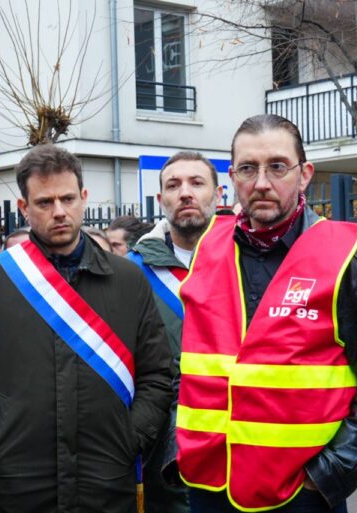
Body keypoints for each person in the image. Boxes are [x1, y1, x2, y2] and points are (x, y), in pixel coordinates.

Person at [164, 114, 357, 513]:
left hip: (302, 496)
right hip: (209, 487)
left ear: (304, 176)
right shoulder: (207, 249)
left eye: (277, 166)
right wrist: (178, 452)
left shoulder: (351, 256)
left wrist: (328, 475)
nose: (261, 182)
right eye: (248, 168)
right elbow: (188, 366)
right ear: (232, 177)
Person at [0, 144, 174, 513]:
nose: (60, 212)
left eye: (68, 198)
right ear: (24, 208)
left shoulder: (129, 279)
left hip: (106, 479)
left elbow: (158, 374)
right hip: (17, 483)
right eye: (44, 202)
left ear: (84, 197)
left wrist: (129, 438)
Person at [129, 151, 222, 513]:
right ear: (160, 200)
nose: (186, 193)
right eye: (174, 185)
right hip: (158, 448)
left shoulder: (247, 261)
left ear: (218, 194)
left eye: (197, 183)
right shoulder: (132, 273)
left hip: (236, 439)